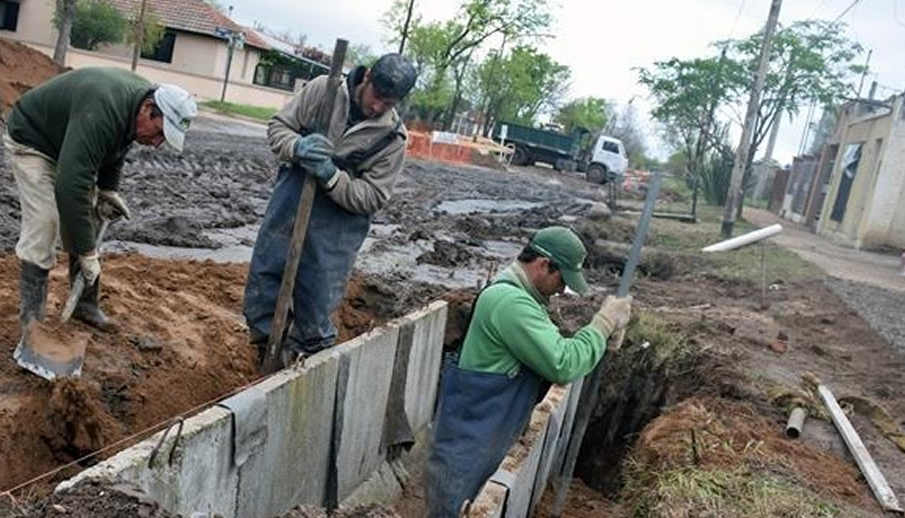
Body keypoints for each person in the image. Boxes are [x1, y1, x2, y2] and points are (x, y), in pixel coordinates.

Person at [425, 226, 633, 517]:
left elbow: (557, 348)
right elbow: (563, 363)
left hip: (480, 440)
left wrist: (599, 338)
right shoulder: (511, 303)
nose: (562, 290)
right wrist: (601, 326)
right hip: (467, 450)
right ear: (543, 265)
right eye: (562, 279)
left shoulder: (523, 298)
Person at [6, 67, 196, 351]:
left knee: (90, 215)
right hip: (35, 140)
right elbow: (70, 186)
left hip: (70, 142)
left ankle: (85, 305)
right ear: (148, 109)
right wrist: (87, 251)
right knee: (45, 222)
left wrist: (108, 189)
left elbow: (116, 145)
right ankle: (31, 325)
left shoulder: (137, 104)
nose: (157, 144)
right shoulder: (105, 107)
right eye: (159, 133)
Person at [243, 53, 418, 361]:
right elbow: (279, 127)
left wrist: (331, 177)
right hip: (291, 204)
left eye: (388, 103)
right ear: (366, 79)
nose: (378, 107)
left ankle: (304, 361)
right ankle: (266, 351)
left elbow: (373, 196)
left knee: (318, 297)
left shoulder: (392, 139)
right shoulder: (325, 90)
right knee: (267, 277)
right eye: (376, 96)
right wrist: (296, 147)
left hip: (337, 226)